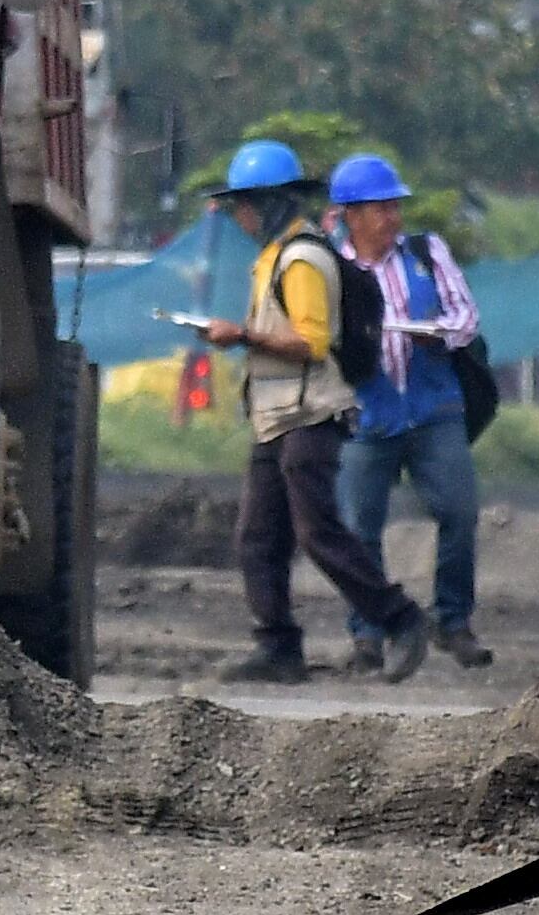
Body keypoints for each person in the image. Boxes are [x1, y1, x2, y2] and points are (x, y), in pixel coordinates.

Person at [200, 139, 429, 686]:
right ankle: (277, 646)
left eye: (248, 203)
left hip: (309, 414)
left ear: (274, 202)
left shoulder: (302, 258)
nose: (241, 215)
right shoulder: (276, 254)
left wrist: (241, 336)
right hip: (277, 416)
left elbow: (311, 342)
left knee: (317, 532)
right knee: (258, 536)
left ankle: (400, 618)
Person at [324, 152, 490, 673]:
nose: (392, 218)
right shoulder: (331, 265)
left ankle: (453, 620)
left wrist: (438, 330)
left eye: (395, 206)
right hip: (364, 413)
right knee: (358, 527)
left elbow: (465, 314)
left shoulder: (426, 252)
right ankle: (368, 633)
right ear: (351, 214)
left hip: (433, 406)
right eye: (379, 209)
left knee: (459, 512)